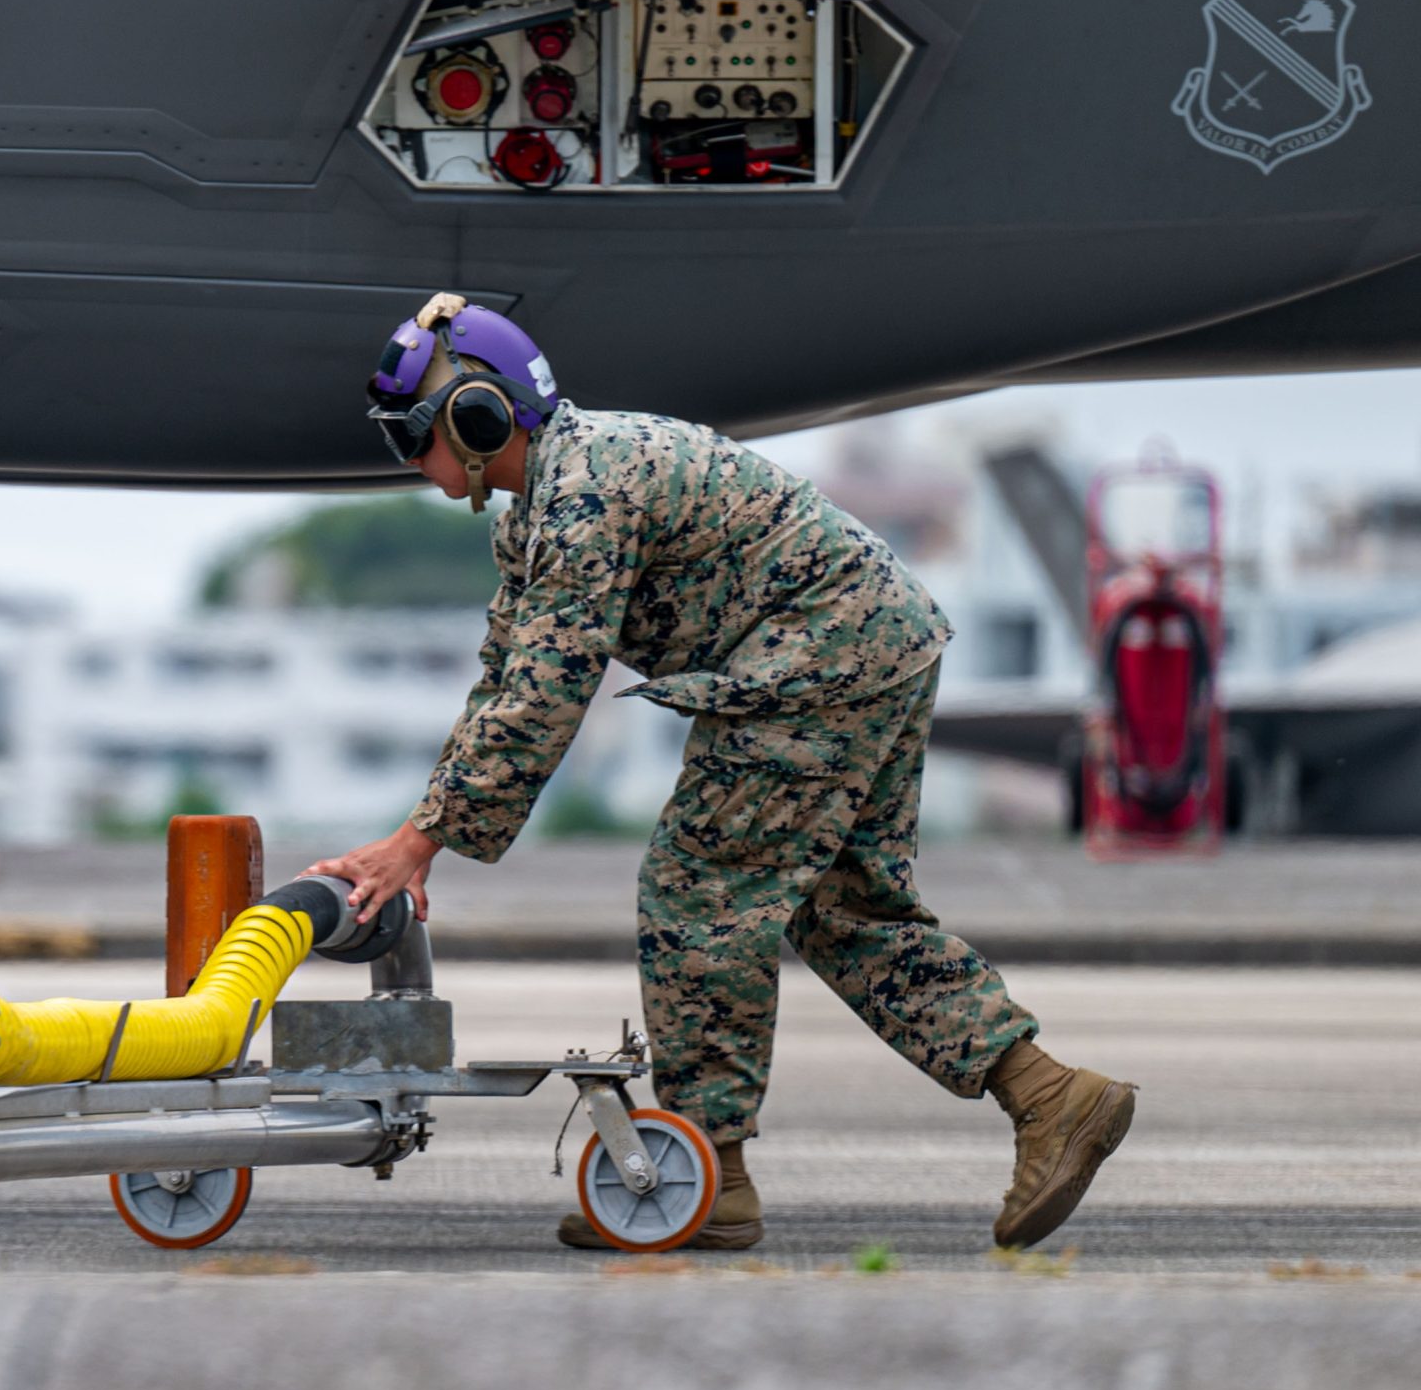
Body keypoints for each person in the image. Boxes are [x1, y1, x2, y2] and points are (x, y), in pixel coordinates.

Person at [305, 292, 1135, 1251]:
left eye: (411, 436)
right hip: (874, 649)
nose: (408, 461)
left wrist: (420, 843)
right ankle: (1049, 1096)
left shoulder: (584, 495)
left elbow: (545, 698)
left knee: (698, 893)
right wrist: (418, 837)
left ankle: (705, 1177)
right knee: (842, 910)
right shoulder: (545, 507)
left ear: (479, 417)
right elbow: (506, 680)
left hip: (816, 664)